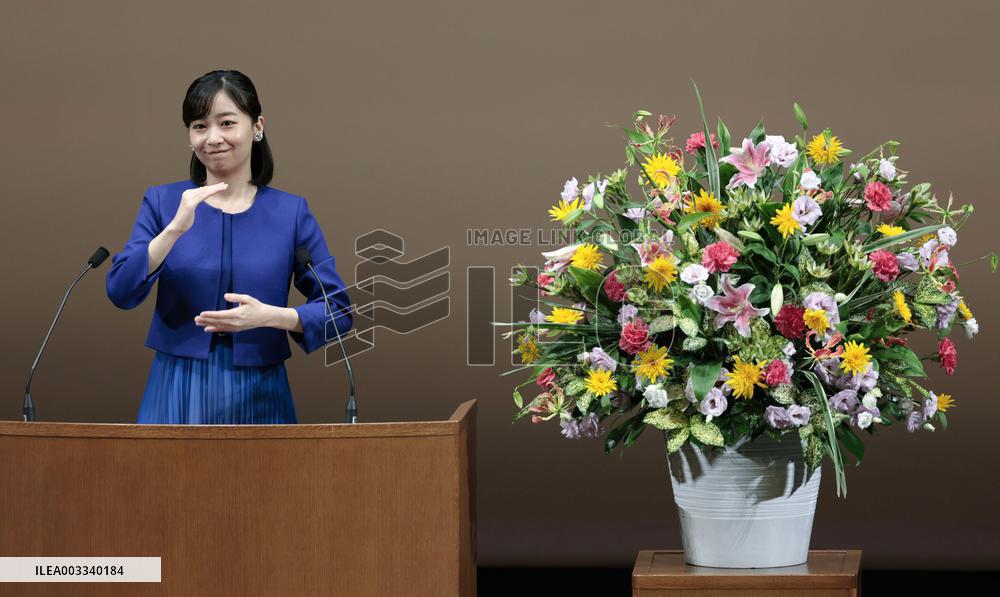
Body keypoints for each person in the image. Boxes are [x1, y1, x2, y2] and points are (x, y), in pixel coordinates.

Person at [106, 70, 353, 424]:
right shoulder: (164, 202)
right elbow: (120, 291)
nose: (212, 138)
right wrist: (173, 230)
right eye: (199, 126)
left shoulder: (290, 212)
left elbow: (338, 312)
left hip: (261, 391)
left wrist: (271, 316)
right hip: (177, 387)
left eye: (226, 123)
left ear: (257, 126)